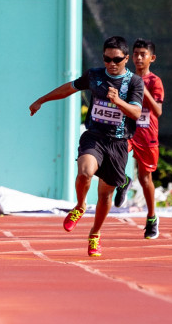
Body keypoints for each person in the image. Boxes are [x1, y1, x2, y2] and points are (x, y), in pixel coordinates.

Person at [29, 36, 145, 258]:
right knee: (84, 173)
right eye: (107, 58)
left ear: (126, 59)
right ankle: (80, 206)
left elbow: (137, 113)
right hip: (94, 136)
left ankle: (95, 234)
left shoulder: (134, 83)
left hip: (118, 143)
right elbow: (70, 88)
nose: (111, 63)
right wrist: (41, 100)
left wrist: (118, 102)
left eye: (117, 59)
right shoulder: (95, 75)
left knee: (104, 196)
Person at [120, 38, 165, 239]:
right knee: (114, 158)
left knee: (145, 178)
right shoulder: (126, 78)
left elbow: (157, 110)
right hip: (129, 131)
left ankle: (152, 217)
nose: (138, 58)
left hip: (147, 136)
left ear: (151, 58)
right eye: (136, 54)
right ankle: (123, 181)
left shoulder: (155, 81)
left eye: (142, 54)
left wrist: (142, 89)